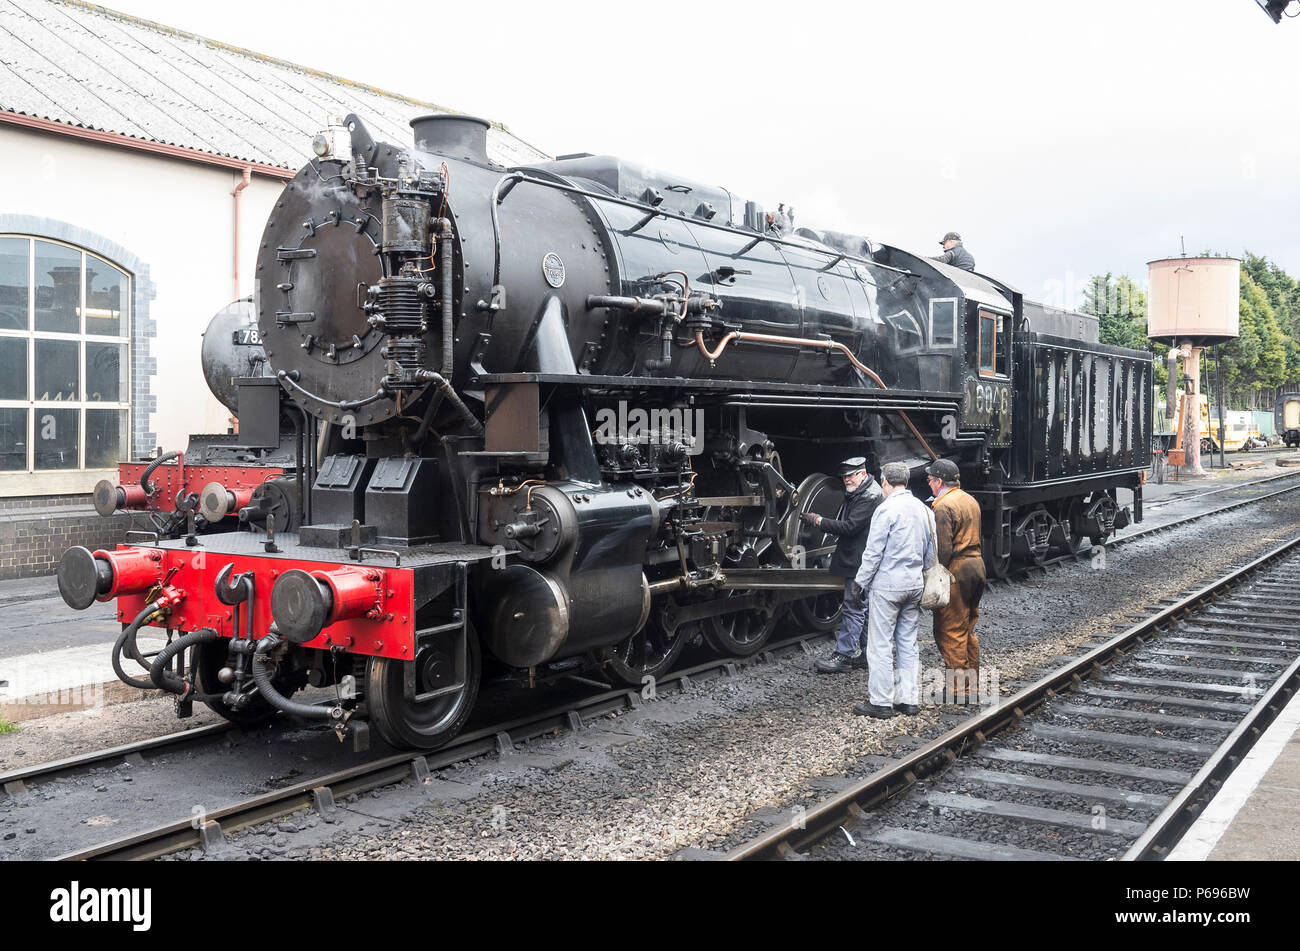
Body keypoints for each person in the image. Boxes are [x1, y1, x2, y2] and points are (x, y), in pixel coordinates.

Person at [850, 461, 935, 718]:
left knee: (880, 645)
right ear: (906, 482)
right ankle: (908, 700)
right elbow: (932, 551)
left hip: (888, 587)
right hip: (914, 585)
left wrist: (860, 582)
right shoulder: (923, 509)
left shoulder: (886, 510)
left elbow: (873, 552)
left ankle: (881, 702)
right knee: (908, 642)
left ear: (885, 482)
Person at [800, 457, 883, 673]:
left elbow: (850, 526)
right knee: (861, 607)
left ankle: (844, 655)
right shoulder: (862, 490)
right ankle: (866, 654)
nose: (847, 480)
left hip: (859, 560)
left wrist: (819, 521)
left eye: (851, 475)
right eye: (844, 476)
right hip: (860, 558)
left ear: (862, 474)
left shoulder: (868, 496)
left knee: (853, 606)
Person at [925, 458, 986, 702]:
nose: (929, 484)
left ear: (939, 481)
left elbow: (944, 547)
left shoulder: (943, 505)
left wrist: (935, 572)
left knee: (949, 629)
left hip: (957, 569)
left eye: (930, 480)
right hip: (977, 565)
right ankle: (972, 685)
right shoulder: (969, 499)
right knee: (968, 627)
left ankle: (959, 691)